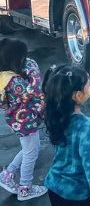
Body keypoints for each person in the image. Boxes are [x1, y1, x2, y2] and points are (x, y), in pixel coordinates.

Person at [44, 65, 90, 206]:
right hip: (76, 196)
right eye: (88, 86)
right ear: (78, 95)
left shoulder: (57, 115)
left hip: (54, 187)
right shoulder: (85, 126)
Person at [0, 39, 47, 201]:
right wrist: (33, 70)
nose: (27, 59)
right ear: (16, 59)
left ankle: (7, 174)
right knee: (31, 152)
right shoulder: (16, 82)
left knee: (30, 148)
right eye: (24, 56)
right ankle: (25, 188)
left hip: (16, 121)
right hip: (25, 121)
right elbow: (33, 93)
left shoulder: (5, 76)